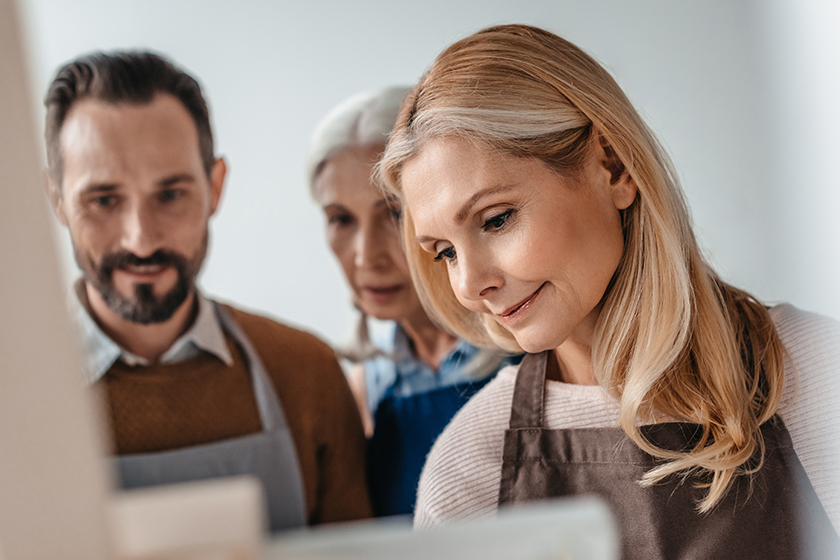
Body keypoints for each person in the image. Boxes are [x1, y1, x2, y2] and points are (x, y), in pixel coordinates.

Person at [378, 24, 840, 558]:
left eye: (497, 219)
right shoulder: (470, 465)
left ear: (613, 166)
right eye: (445, 252)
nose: (469, 283)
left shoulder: (820, 375)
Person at [44, 51, 371, 531]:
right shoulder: (18, 393)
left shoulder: (306, 374)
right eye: (104, 200)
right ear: (58, 203)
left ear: (215, 187)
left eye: (171, 194)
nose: (141, 238)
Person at [307, 87, 518, 517]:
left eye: (392, 214)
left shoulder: (536, 346)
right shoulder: (364, 389)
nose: (367, 256)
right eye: (340, 219)